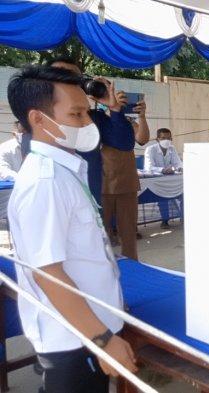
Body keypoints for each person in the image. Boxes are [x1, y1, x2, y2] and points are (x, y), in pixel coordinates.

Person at [7, 65, 137, 393]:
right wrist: (103, 340)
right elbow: (48, 274)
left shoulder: (66, 170)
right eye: (77, 114)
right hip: (74, 338)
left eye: (87, 113)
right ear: (38, 119)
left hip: (87, 328)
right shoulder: (44, 183)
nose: (87, 123)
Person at [50, 58, 149, 260]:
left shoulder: (94, 118)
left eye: (75, 80)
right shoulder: (36, 116)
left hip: (96, 193)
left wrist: (113, 109)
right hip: (57, 200)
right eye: (62, 78)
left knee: (98, 245)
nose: (69, 84)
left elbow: (125, 142)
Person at [144, 128, 183, 229]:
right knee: (162, 195)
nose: (166, 140)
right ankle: (165, 220)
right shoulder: (150, 149)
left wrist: (179, 168)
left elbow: (178, 163)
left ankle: (184, 217)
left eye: (169, 138)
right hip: (156, 182)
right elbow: (148, 168)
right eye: (163, 138)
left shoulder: (172, 148)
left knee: (184, 192)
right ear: (157, 139)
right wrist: (162, 170)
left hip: (170, 180)